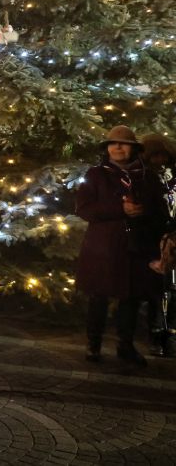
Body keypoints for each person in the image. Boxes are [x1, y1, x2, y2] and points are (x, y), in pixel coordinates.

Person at [76, 125, 166, 366]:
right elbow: (84, 209)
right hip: (103, 248)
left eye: (123, 143)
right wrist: (119, 210)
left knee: (131, 298)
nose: (117, 147)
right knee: (98, 298)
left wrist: (144, 214)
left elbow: (161, 214)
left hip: (136, 249)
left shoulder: (149, 177)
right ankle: (93, 345)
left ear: (133, 149)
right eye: (112, 143)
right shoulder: (96, 175)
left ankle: (125, 346)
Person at [142, 133, 176, 356]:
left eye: (163, 156)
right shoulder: (146, 179)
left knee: (170, 292)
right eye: (155, 156)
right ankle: (157, 336)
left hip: (171, 241)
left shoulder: (170, 178)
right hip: (156, 243)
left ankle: (167, 337)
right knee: (158, 293)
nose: (160, 161)